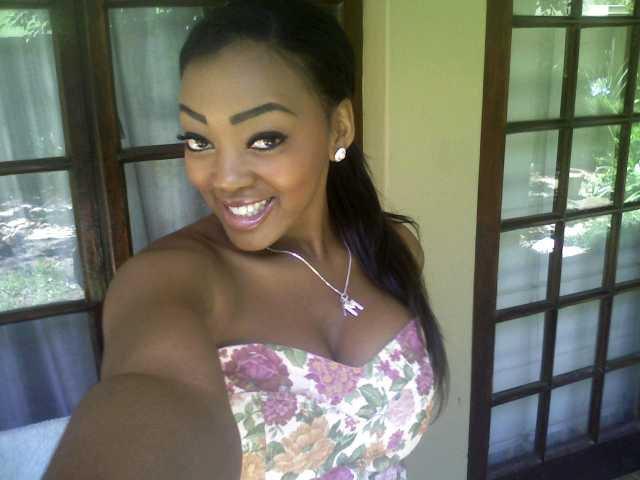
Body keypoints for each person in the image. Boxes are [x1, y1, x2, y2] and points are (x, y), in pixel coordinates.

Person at [44, 0, 448, 478]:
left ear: (339, 128)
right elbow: (149, 394)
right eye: (199, 141)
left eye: (265, 138)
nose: (225, 179)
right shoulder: (169, 281)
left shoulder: (393, 249)